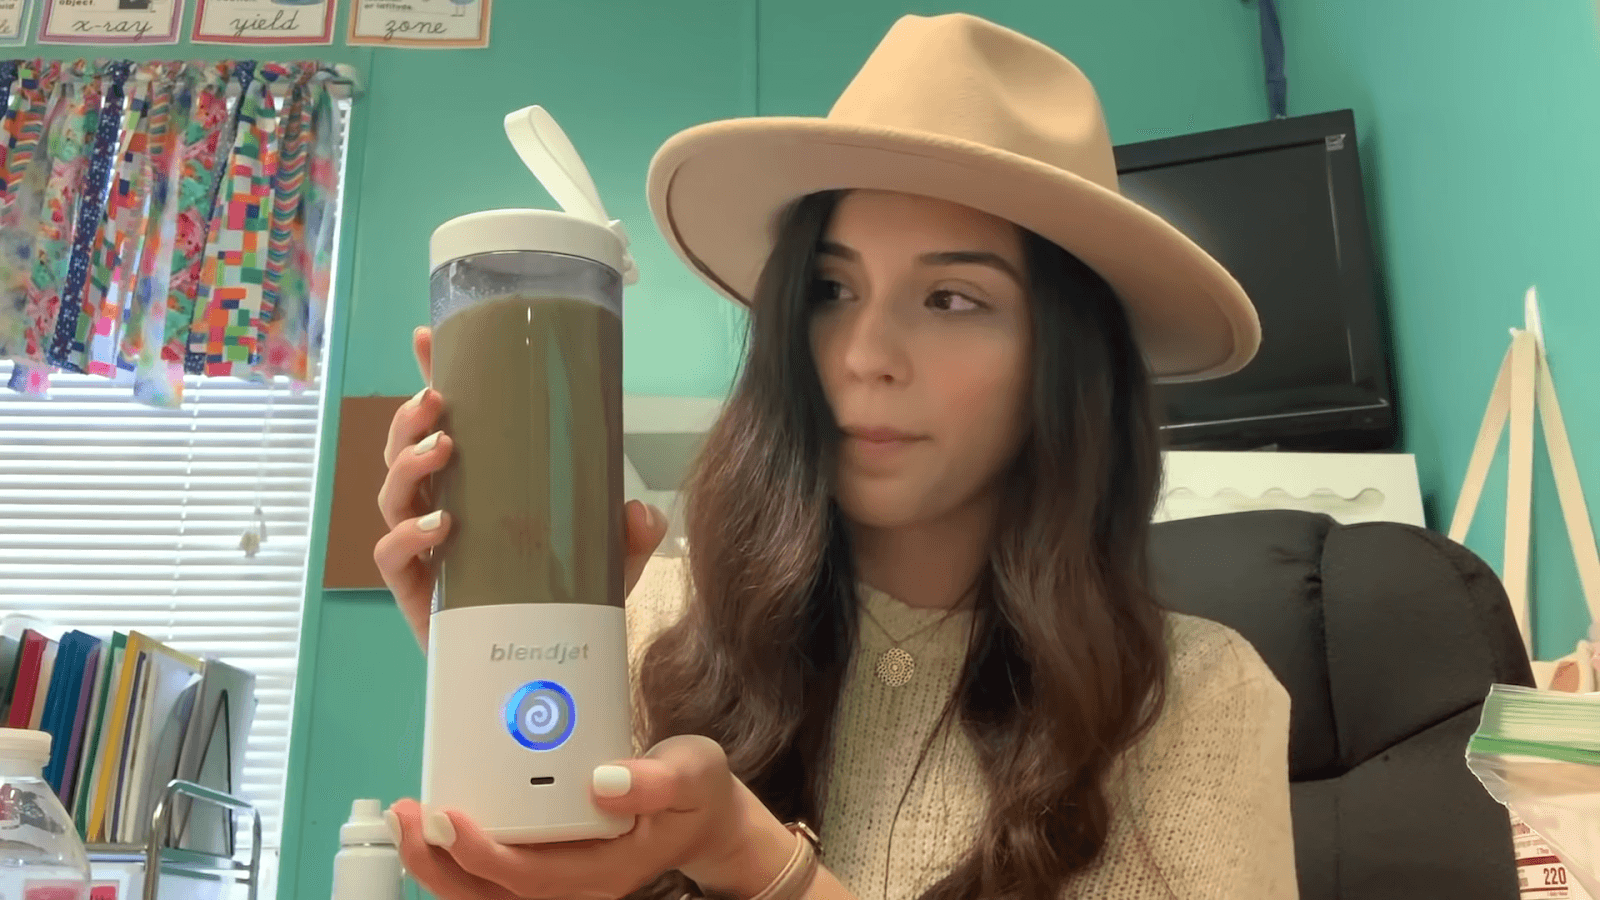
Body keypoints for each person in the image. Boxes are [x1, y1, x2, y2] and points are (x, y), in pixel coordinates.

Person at [373, 12, 1297, 900]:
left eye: (951, 299)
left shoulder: (1202, 703)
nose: (864, 355)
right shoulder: (644, 631)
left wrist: (755, 863)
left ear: (1066, 360)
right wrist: (482, 684)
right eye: (830, 288)